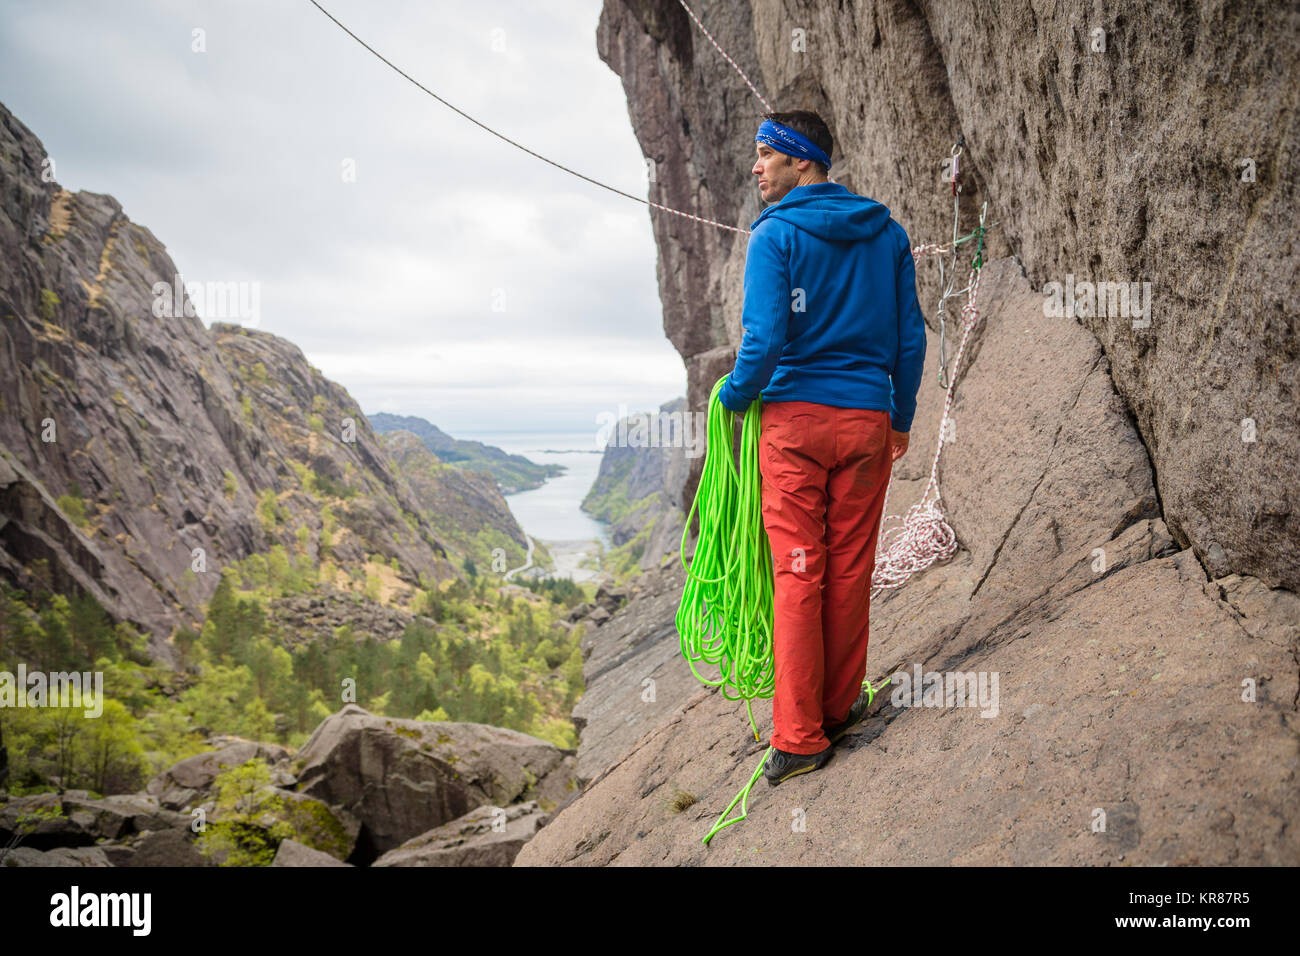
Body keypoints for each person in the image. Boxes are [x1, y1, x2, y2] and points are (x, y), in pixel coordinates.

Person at [717, 109, 927, 785]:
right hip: (866, 422)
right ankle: (838, 707)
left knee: (798, 573)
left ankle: (801, 736)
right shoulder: (887, 234)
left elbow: (766, 337)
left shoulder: (773, 237)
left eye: (765, 156)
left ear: (799, 160)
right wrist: (899, 418)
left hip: (795, 429)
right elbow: (909, 339)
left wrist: (734, 397)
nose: (757, 168)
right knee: (848, 569)